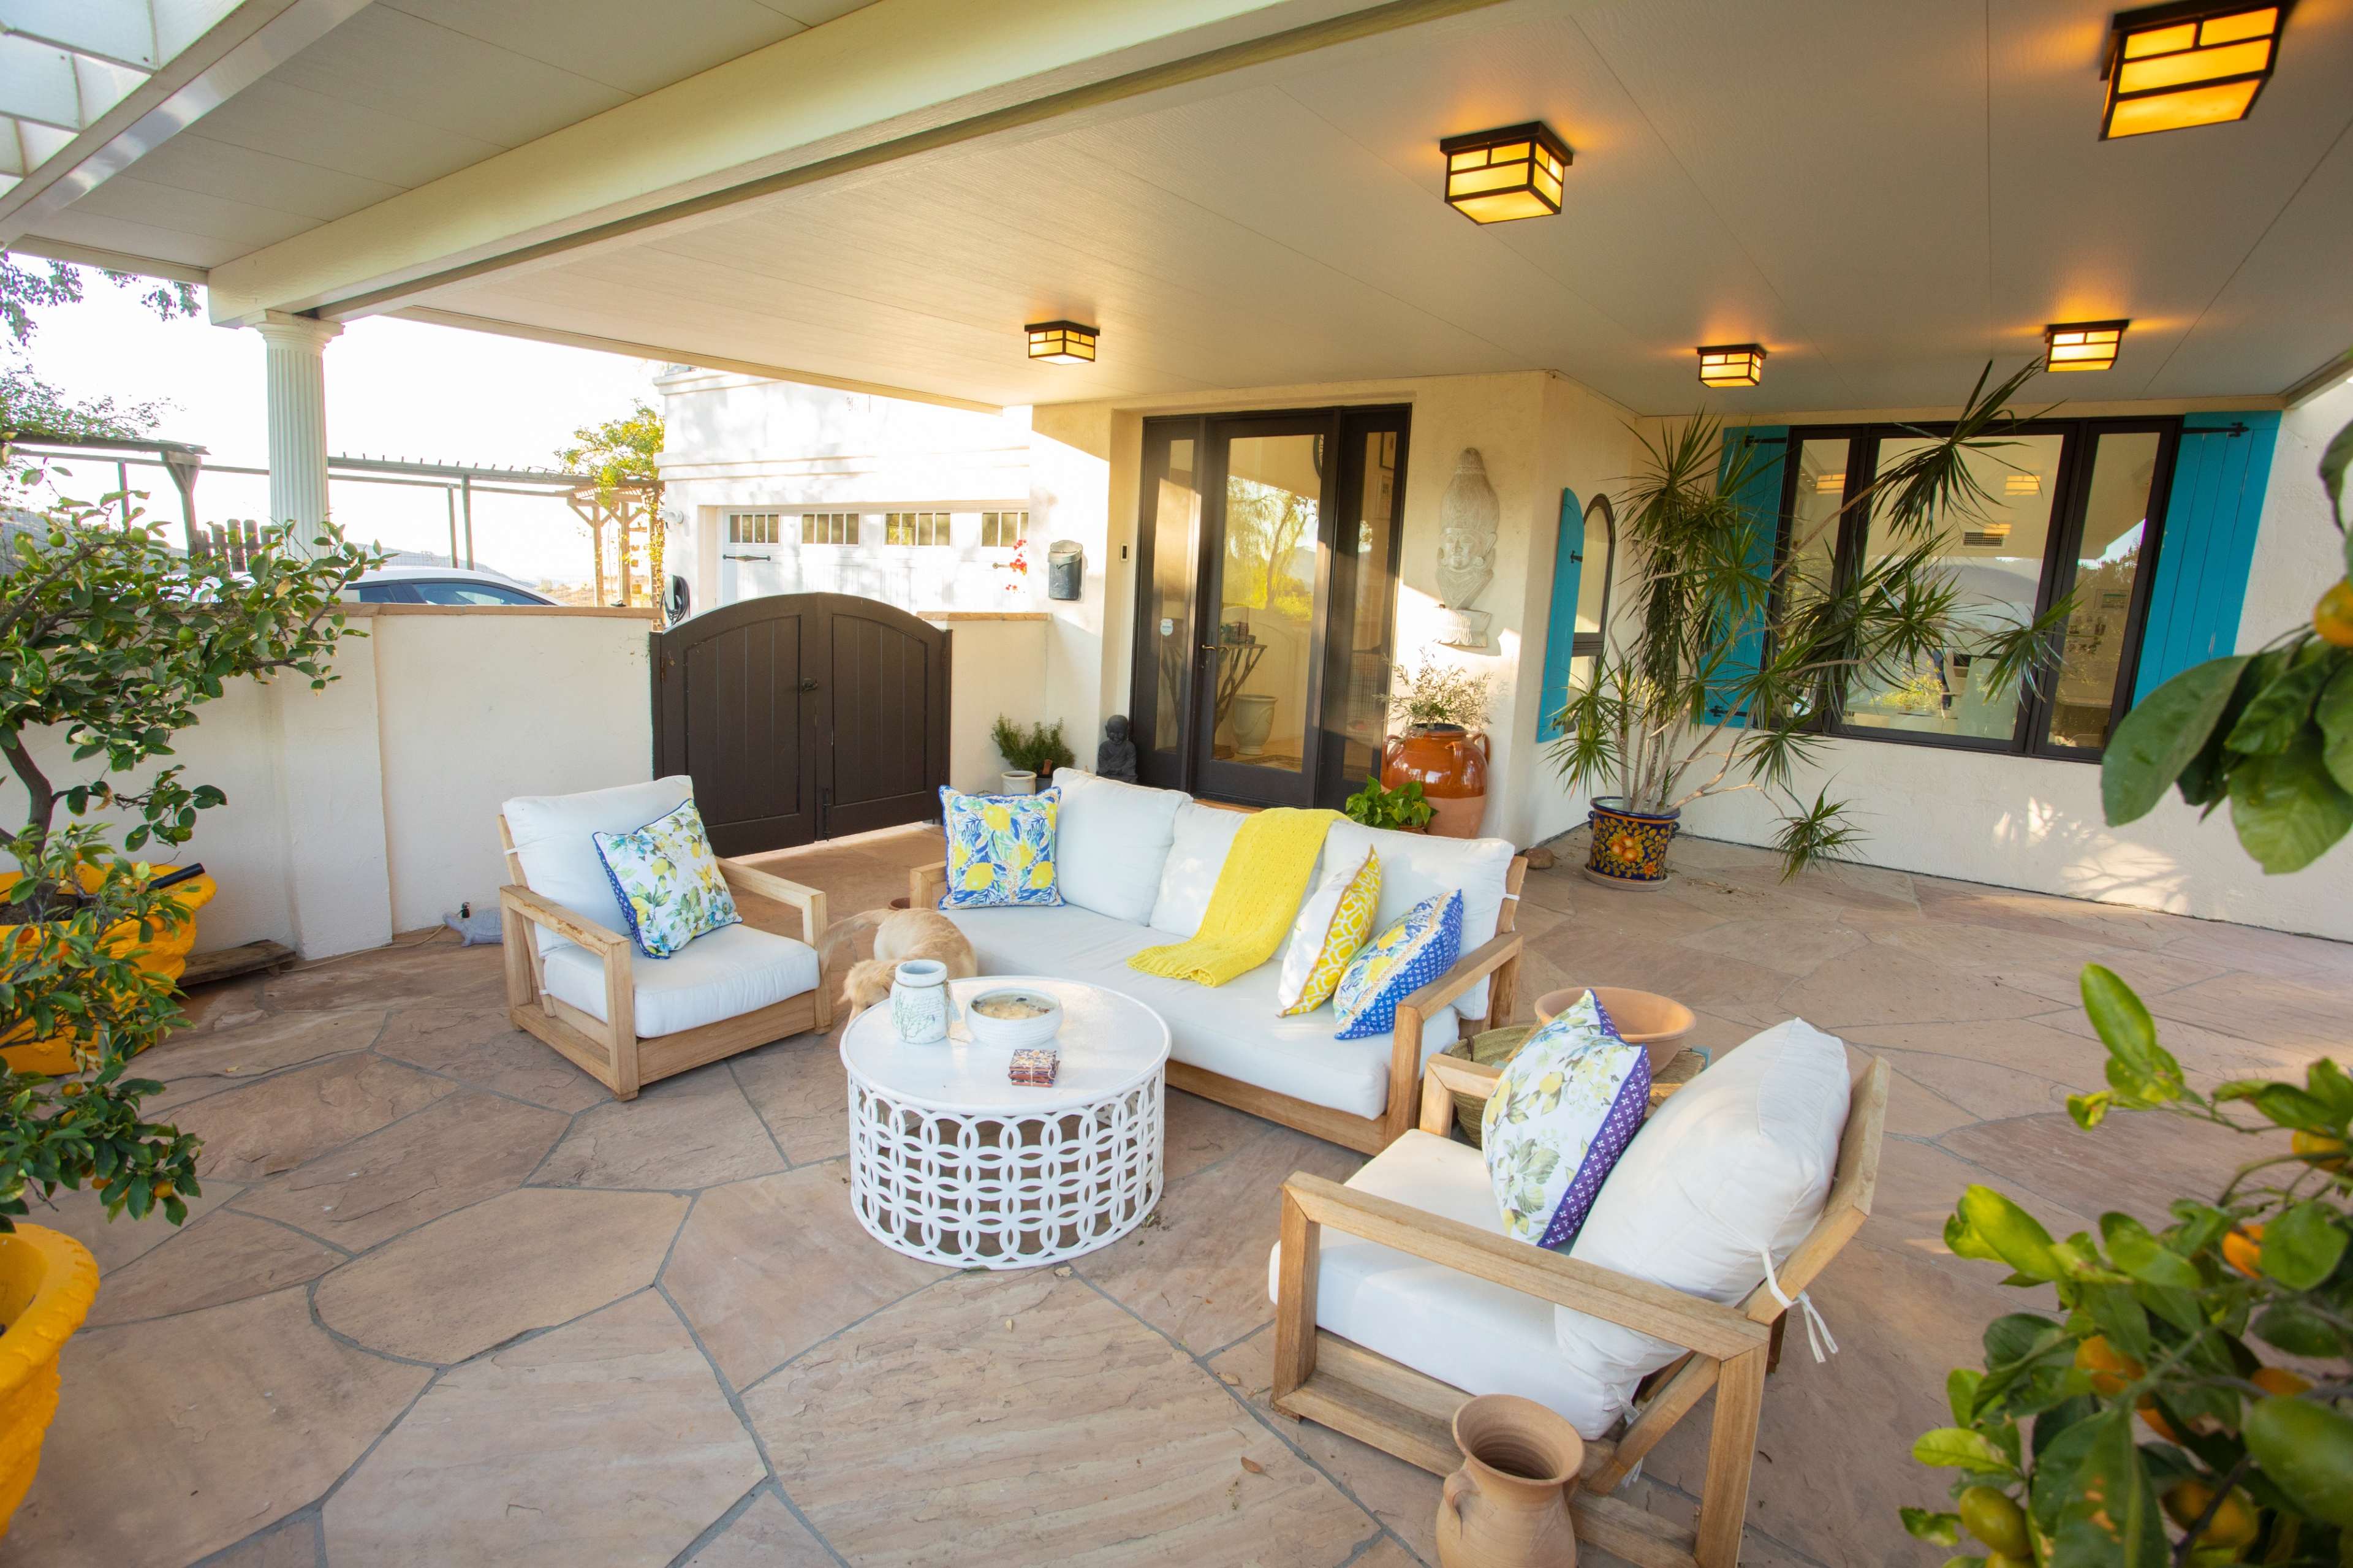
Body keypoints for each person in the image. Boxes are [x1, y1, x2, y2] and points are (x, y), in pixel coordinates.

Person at [1096, 714, 1138, 781]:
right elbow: (1102, 763)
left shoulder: (1129, 746)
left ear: (1127, 731)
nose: (1116, 736)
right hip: (1107, 774)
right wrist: (1110, 770)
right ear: (1107, 731)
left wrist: (1121, 770)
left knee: (1132, 781)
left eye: (1120, 733)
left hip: (1124, 775)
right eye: (1112, 732)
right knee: (1100, 778)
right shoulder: (1104, 746)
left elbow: (1131, 763)